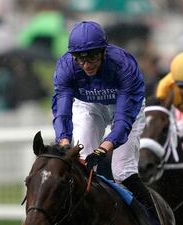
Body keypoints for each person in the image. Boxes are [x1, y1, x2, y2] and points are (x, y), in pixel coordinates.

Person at [52, 21, 159, 225]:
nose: (86, 64)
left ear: (103, 51)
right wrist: (64, 144)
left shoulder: (124, 65)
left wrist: (104, 150)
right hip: (89, 106)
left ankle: (153, 220)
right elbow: (62, 111)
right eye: (80, 59)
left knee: (122, 172)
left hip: (126, 109)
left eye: (92, 56)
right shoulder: (66, 67)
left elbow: (122, 121)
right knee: (83, 164)